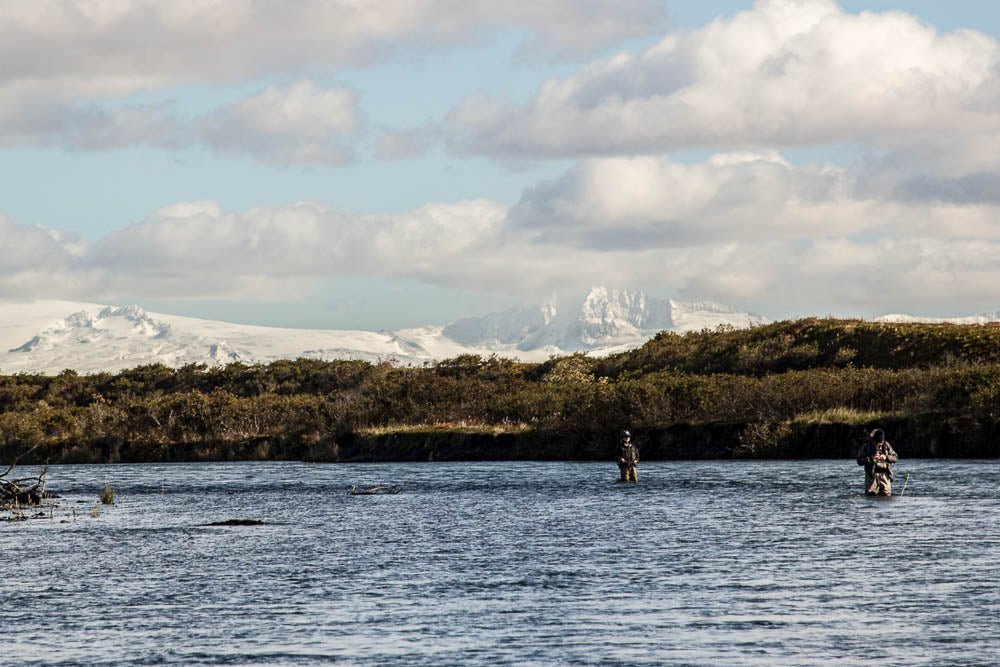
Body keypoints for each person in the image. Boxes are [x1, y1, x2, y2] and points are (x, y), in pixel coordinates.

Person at [856, 428, 898, 496]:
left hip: (885, 475)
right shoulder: (867, 446)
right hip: (871, 476)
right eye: (879, 442)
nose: (880, 444)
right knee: (871, 495)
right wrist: (870, 459)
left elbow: (895, 458)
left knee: (886, 495)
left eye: (882, 442)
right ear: (875, 440)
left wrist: (886, 457)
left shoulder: (886, 445)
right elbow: (859, 461)